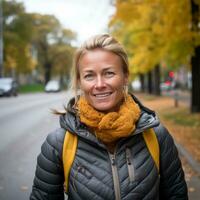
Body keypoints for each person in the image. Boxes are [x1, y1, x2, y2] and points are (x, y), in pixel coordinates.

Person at [30, 34, 188, 200]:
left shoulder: (156, 136)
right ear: (79, 81)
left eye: (109, 73)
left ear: (125, 76)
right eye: (89, 75)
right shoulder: (58, 144)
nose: (99, 84)